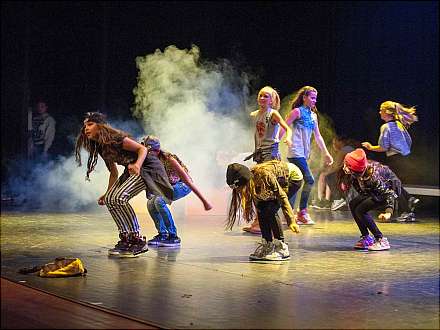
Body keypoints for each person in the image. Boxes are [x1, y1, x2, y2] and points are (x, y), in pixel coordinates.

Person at [75, 112, 173, 257]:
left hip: (148, 168)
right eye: (85, 126)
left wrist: (138, 165)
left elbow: (143, 149)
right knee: (110, 199)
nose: (86, 129)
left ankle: (137, 239)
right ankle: (126, 238)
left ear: (100, 126)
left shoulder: (116, 138)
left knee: (120, 198)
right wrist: (107, 193)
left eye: (90, 124)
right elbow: (113, 173)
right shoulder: (102, 146)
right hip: (132, 169)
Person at [142, 135, 213, 247]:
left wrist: (204, 201)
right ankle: (162, 234)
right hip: (168, 187)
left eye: (149, 152)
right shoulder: (149, 161)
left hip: (183, 185)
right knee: (150, 203)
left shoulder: (169, 159)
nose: (147, 154)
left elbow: (188, 181)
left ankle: (173, 236)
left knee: (159, 201)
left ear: (157, 150)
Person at [226, 160, 303, 261]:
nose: (240, 192)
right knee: (261, 208)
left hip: (293, 177)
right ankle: (267, 243)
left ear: (246, 181)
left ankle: (282, 248)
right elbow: (260, 207)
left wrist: (291, 221)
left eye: (240, 188)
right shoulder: (252, 182)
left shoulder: (264, 176)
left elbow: (282, 196)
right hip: (278, 178)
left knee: (270, 209)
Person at [242, 86, 293, 234]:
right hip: (260, 154)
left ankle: (265, 221)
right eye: (260, 95)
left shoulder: (273, 114)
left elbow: (287, 128)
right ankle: (260, 220)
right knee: (259, 188)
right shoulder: (256, 114)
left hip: (270, 154)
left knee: (267, 189)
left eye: (266, 96)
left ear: (272, 100)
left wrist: (288, 138)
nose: (262, 98)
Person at [280, 86, 333, 225]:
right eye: (312, 97)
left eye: (316, 98)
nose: (314, 100)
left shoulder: (313, 116)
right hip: (295, 153)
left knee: (295, 182)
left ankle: (289, 212)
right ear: (304, 97)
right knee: (309, 180)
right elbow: (284, 127)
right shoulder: (296, 112)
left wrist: (326, 153)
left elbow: (318, 136)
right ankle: (301, 212)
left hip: (304, 153)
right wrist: (275, 143)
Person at [361, 101, 419, 222]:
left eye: (381, 109)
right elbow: (409, 141)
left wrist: (370, 147)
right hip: (406, 158)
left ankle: (408, 207)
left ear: (387, 112)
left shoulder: (386, 127)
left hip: (396, 158)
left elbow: (383, 147)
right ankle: (409, 200)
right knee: (395, 184)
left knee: (393, 184)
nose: (379, 112)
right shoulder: (400, 124)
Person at [341, 148, 400, 251]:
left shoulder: (373, 177)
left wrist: (388, 213)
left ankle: (381, 240)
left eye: (346, 164)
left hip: (388, 190)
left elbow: (388, 194)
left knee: (361, 209)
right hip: (372, 191)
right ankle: (366, 238)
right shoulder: (358, 172)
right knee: (353, 204)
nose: (344, 166)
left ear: (352, 168)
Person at [312, 135, 356, 210]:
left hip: (348, 174)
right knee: (326, 174)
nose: (334, 145)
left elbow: (336, 166)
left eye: (334, 142)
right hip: (350, 173)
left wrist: (327, 172)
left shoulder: (344, 150)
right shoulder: (348, 148)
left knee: (325, 176)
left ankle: (325, 201)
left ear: (340, 142)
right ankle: (324, 200)